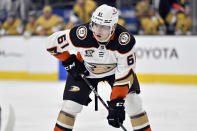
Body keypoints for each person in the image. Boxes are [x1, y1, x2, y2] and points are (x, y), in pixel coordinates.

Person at [46, 4, 152, 131]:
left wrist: (116, 102)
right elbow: (51, 44)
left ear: (113, 27)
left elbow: (125, 73)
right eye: (95, 24)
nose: (97, 31)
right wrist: (68, 59)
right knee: (70, 106)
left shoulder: (124, 40)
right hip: (85, 70)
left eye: (103, 27)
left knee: (134, 102)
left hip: (115, 73)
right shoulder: (82, 34)